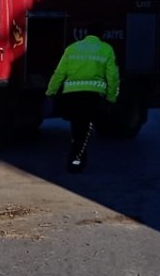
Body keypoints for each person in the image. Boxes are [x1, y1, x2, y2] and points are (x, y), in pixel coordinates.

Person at [46, 28, 119, 172]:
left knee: (77, 127)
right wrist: (111, 97)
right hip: (93, 95)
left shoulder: (72, 48)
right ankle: (76, 159)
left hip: (72, 95)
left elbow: (59, 73)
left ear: (85, 35)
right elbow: (112, 76)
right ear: (101, 35)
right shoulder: (106, 49)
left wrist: (51, 91)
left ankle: (77, 157)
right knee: (85, 129)